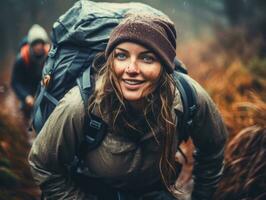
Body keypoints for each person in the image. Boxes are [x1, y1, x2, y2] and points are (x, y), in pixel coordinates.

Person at [28, 14, 228, 200]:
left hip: (157, 191)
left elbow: (214, 148)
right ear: (111, 60)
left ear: (165, 66)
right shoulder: (82, 104)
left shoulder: (189, 97)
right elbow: (43, 163)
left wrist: (201, 195)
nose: (131, 69)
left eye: (147, 58)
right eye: (122, 56)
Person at [11, 24, 49, 118]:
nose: (39, 46)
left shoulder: (50, 57)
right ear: (31, 45)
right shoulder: (22, 59)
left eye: (41, 43)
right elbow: (15, 82)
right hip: (28, 96)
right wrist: (26, 97)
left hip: (45, 94)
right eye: (36, 44)